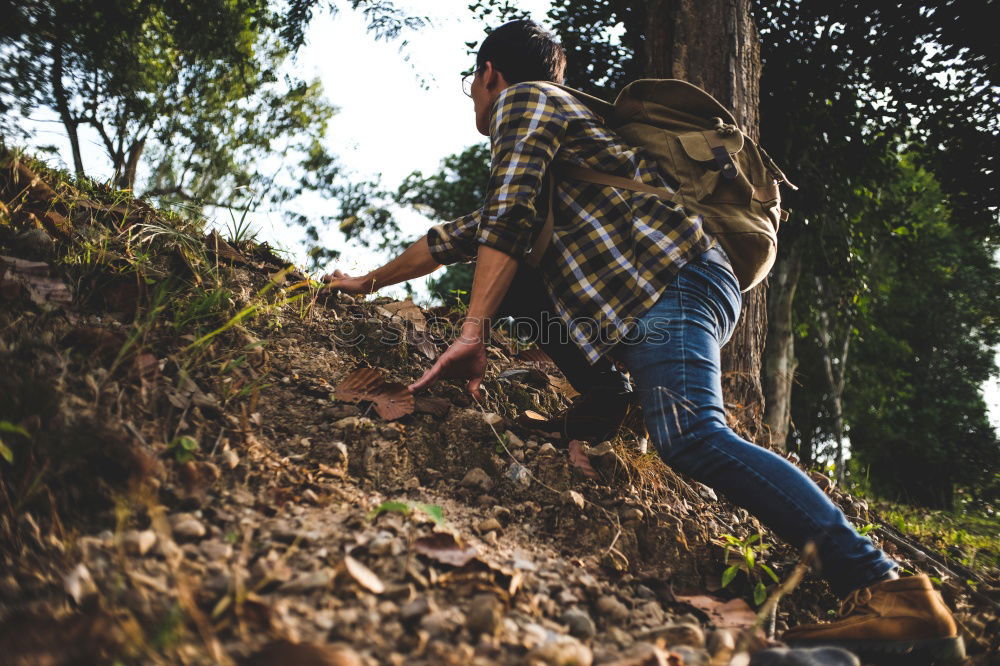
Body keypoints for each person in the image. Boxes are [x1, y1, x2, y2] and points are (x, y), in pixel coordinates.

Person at [323, 19, 964, 664]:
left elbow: (510, 215)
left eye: (472, 84)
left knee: (691, 435)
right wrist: (365, 282)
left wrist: (472, 331)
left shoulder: (526, 100)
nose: (474, 98)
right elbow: (460, 235)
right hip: (668, 292)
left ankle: (885, 588)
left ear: (489, 73)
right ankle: (611, 396)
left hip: (673, 283)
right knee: (532, 289)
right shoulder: (563, 146)